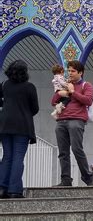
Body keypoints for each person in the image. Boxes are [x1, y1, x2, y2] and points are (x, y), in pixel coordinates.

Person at [51, 60, 93, 187]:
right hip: (61, 120)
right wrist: (61, 93)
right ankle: (66, 180)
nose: (70, 73)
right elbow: (53, 101)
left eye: (73, 71)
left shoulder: (86, 85)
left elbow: (88, 100)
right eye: (69, 71)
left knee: (77, 149)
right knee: (63, 152)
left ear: (80, 73)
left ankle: (87, 177)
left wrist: (72, 92)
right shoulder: (65, 84)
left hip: (77, 120)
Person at [0, 60, 39, 198]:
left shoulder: (4, 85)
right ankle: (14, 190)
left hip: (4, 125)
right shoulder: (29, 87)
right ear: (25, 72)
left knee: (7, 156)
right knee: (18, 157)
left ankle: (2, 188)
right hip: (22, 126)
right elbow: (35, 108)